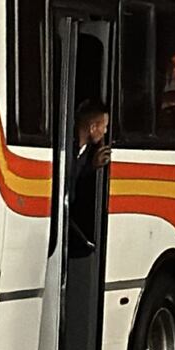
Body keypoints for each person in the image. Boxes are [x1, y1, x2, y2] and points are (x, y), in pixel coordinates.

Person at [69, 101, 111, 257]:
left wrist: (93, 166)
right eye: (104, 127)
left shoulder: (87, 152)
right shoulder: (67, 146)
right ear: (93, 128)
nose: (105, 132)